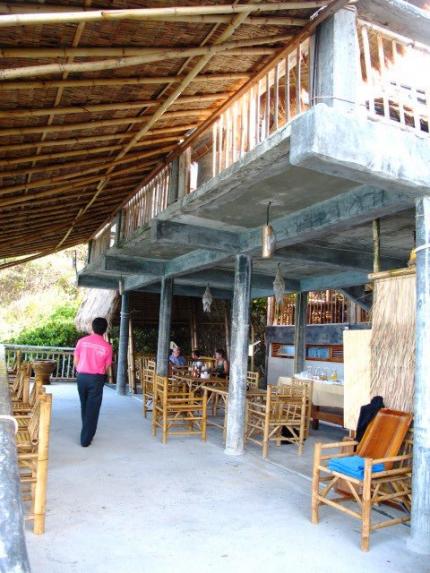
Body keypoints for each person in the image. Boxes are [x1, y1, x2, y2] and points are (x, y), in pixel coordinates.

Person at [74, 317, 112, 447]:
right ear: (105, 329)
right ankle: (85, 439)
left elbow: (76, 361)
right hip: (96, 379)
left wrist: (80, 372)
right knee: (93, 408)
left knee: (84, 405)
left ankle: (86, 430)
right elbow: (107, 367)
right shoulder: (107, 347)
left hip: (82, 377)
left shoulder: (82, 342)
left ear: (92, 327)